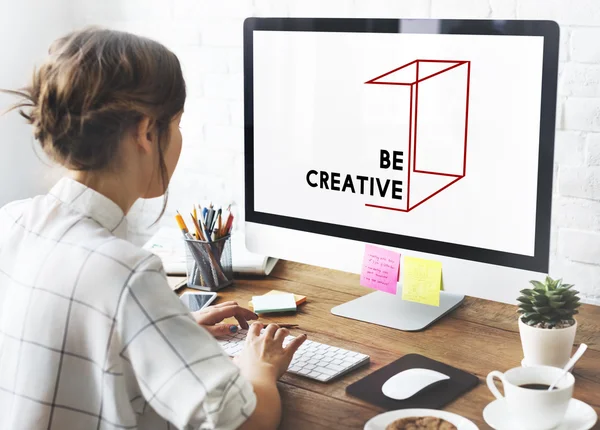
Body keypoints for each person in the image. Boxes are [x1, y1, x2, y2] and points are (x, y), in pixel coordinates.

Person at [0, 27, 306, 430]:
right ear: (146, 132)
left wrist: (164, 330)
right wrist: (259, 367)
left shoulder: (11, 220)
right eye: (176, 124)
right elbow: (247, 422)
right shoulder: (126, 272)